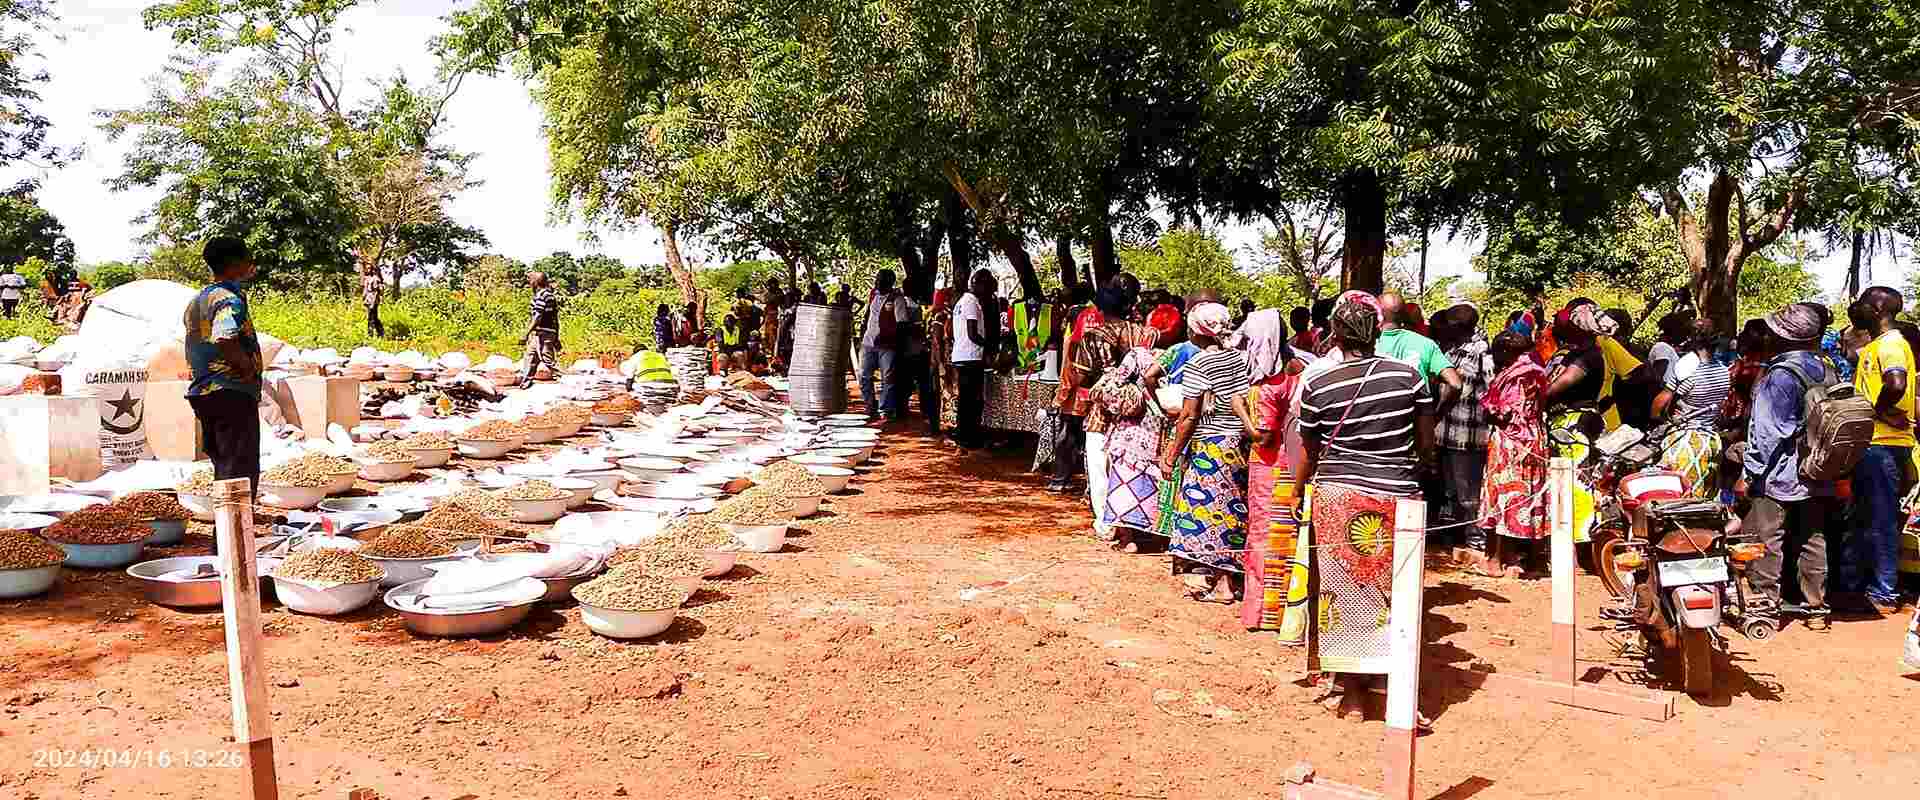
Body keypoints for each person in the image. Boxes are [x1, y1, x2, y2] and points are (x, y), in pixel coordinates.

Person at [1290, 291, 1435, 726]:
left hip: (1339, 498)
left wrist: (1298, 491)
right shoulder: (1408, 377)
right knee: (1397, 593)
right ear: (1378, 332)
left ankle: (1352, 697)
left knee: (1347, 595)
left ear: (1334, 334)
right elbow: (1426, 445)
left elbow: (1310, 450)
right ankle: (1397, 695)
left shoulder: (1318, 384)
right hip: (1398, 497)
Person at [1739, 304, 1834, 626]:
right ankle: (1817, 609)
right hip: (1818, 468)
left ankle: (1764, 607)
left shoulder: (1781, 375)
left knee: (1766, 539)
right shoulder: (1825, 368)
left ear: (1783, 336)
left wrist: (1750, 473)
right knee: (1813, 539)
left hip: (1780, 472)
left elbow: (1767, 434)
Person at [1158, 302, 1253, 605]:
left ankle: (1223, 584)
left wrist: (1171, 454)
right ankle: (1229, 578)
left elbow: (1189, 415)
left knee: (1213, 513)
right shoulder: (1242, 358)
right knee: (1234, 510)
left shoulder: (1201, 363)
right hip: (1240, 444)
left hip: (1212, 446)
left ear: (1198, 331)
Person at [1233, 308, 1308, 632]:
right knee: (1289, 535)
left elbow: (1262, 437)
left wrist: (1239, 408)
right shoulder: (1300, 368)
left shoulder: (1267, 384)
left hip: (1269, 469)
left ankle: (1263, 613)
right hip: (1295, 463)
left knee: (1264, 536)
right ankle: (1289, 610)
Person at [182, 236, 265, 524]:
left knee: (225, 467)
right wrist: (245, 368)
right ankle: (233, 541)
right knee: (239, 473)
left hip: (205, 393)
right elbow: (225, 336)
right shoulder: (229, 298)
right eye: (247, 258)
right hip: (230, 391)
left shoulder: (198, 299)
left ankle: (225, 538)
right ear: (235, 263)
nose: (251, 264)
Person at [1846, 287, 1913, 615]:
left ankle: (1884, 592)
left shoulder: (1891, 345)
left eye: (1861, 304)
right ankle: (1866, 586)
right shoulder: (1877, 345)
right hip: (1875, 444)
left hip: (1882, 445)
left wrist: (1876, 409)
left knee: (1880, 518)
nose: (1855, 310)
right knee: (1868, 517)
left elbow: (1896, 383)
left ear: (1876, 310)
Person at [1072, 289, 1159, 535]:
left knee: (1100, 466)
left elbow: (1081, 376)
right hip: (1139, 411)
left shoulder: (1093, 336)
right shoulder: (1146, 334)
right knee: (1132, 466)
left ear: (1099, 310)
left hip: (1104, 410)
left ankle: (1107, 523)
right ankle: (1133, 523)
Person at [1480, 330, 1549, 577]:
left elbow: (1503, 414)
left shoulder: (1513, 376)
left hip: (1510, 441)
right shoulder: (1537, 372)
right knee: (1531, 496)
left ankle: (1496, 560)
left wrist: (1488, 412)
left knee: (1503, 495)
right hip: (1535, 438)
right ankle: (1531, 561)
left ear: (1505, 353)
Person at [1434, 304, 1494, 551]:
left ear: (1459, 327)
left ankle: (1475, 539)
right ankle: (1452, 535)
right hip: (1445, 431)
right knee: (1449, 489)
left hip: (1467, 433)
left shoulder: (1480, 350)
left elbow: (1492, 387)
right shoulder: (1451, 349)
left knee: (1468, 491)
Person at [1653, 317, 1733, 498]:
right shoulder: (1724, 372)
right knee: (1706, 495)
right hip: (1711, 440)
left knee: (1680, 498)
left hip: (1685, 442)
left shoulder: (1686, 372)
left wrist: (1657, 417)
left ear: (1691, 339)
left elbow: (1663, 402)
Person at [1375, 292, 1462, 402]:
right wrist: (1439, 409)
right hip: (1418, 409)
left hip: (1376, 408)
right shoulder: (1426, 343)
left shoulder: (1367, 343)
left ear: (1377, 313)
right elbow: (1455, 384)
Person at [950, 269, 997, 450]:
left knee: (966, 400)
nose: (989, 292)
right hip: (970, 357)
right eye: (988, 287)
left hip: (963, 356)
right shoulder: (971, 302)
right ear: (979, 284)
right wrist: (989, 347)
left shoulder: (963, 301)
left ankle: (964, 436)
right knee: (972, 401)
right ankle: (969, 438)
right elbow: (972, 334)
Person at [859, 269, 910, 421]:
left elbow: (902, 324)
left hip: (887, 345)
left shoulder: (897, 299)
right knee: (864, 375)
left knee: (887, 378)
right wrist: (862, 333)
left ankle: (885, 409)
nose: (877, 282)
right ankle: (870, 405)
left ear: (890, 282)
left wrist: (898, 346)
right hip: (868, 342)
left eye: (881, 280)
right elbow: (868, 315)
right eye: (877, 279)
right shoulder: (873, 294)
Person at [520, 271, 560, 385]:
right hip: (543, 333)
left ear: (535, 282)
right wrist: (556, 336)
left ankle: (569, 380)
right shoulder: (548, 295)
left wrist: (526, 333)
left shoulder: (542, 295)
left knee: (548, 361)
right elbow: (555, 318)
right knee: (530, 357)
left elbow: (537, 316)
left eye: (530, 280)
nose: (529, 283)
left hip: (544, 333)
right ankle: (525, 383)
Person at [361, 269, 385, 338]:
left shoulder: (375, 279)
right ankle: (380, 333)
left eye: (369, 268)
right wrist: (364, 299)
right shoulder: (367, 278)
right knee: (372, 317)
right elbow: (365, 290)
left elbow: (376, 292)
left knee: (372, 318)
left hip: (373, 300)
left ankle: (372, 334)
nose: (368, 270)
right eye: (367, 268)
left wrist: (373, 303)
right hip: (368, 299)